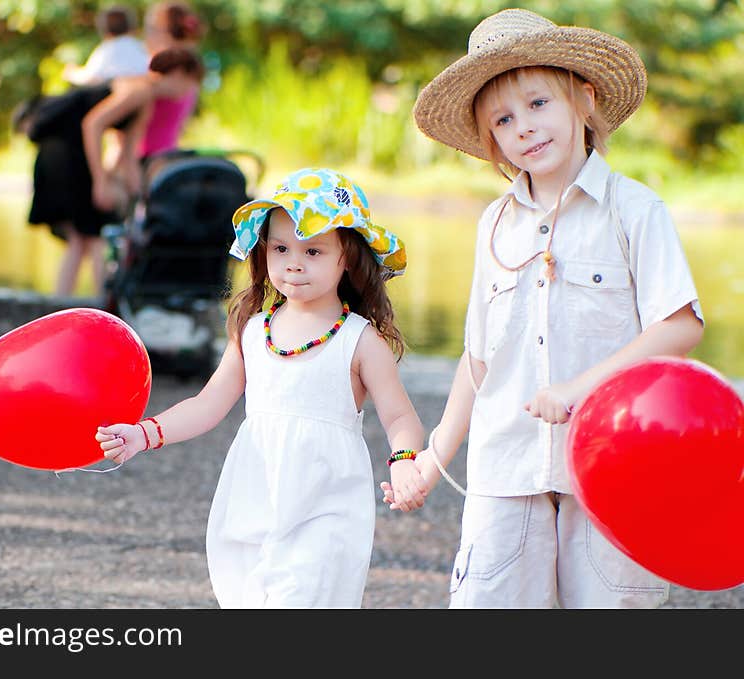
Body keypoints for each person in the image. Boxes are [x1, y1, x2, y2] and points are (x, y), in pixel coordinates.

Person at [382, 8, 705, 608]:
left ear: (583, 100)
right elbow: (478, 358)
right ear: (491, 140)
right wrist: (433, 457)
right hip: (506, 466)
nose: (524, 128)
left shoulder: (634, 210)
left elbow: (679, 325)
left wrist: (580, 386)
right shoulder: (494, 224)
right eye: (504, 119)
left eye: (538, 104)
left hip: (614, 463)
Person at [95, 168, 427, 608]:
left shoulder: (359, 340)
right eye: (281, 247)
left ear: (346, 257)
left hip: (325, 506)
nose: (294, 262)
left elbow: (400, 416)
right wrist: (144, 433)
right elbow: (208, 403)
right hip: (255, 495)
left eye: (313, 250)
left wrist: (405, 462)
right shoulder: (253, 331)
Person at [26, 46, 204, 296]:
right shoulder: (139, 89)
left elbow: (129, 152)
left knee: (85, 235)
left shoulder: (147, 101)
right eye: (189, 83)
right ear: (176, 74)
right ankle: (99, 300)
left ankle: (68, 298)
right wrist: (100, 181)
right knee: (95, 231)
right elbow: (92, 124)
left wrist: (141, 194)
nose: (187, 92)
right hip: (65, 151)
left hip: (76, 152)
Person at [137, 2, 206, 162]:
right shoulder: (190, 66)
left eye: (152, 29)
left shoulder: (170, 69)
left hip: (148, 158)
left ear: (165, 31)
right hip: (167, 153)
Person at [63, 5, 150, 86]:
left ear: (104, 31)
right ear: (132, 27)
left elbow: (91, 78)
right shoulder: (142, 47)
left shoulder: (105, 50)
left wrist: (72, 73)